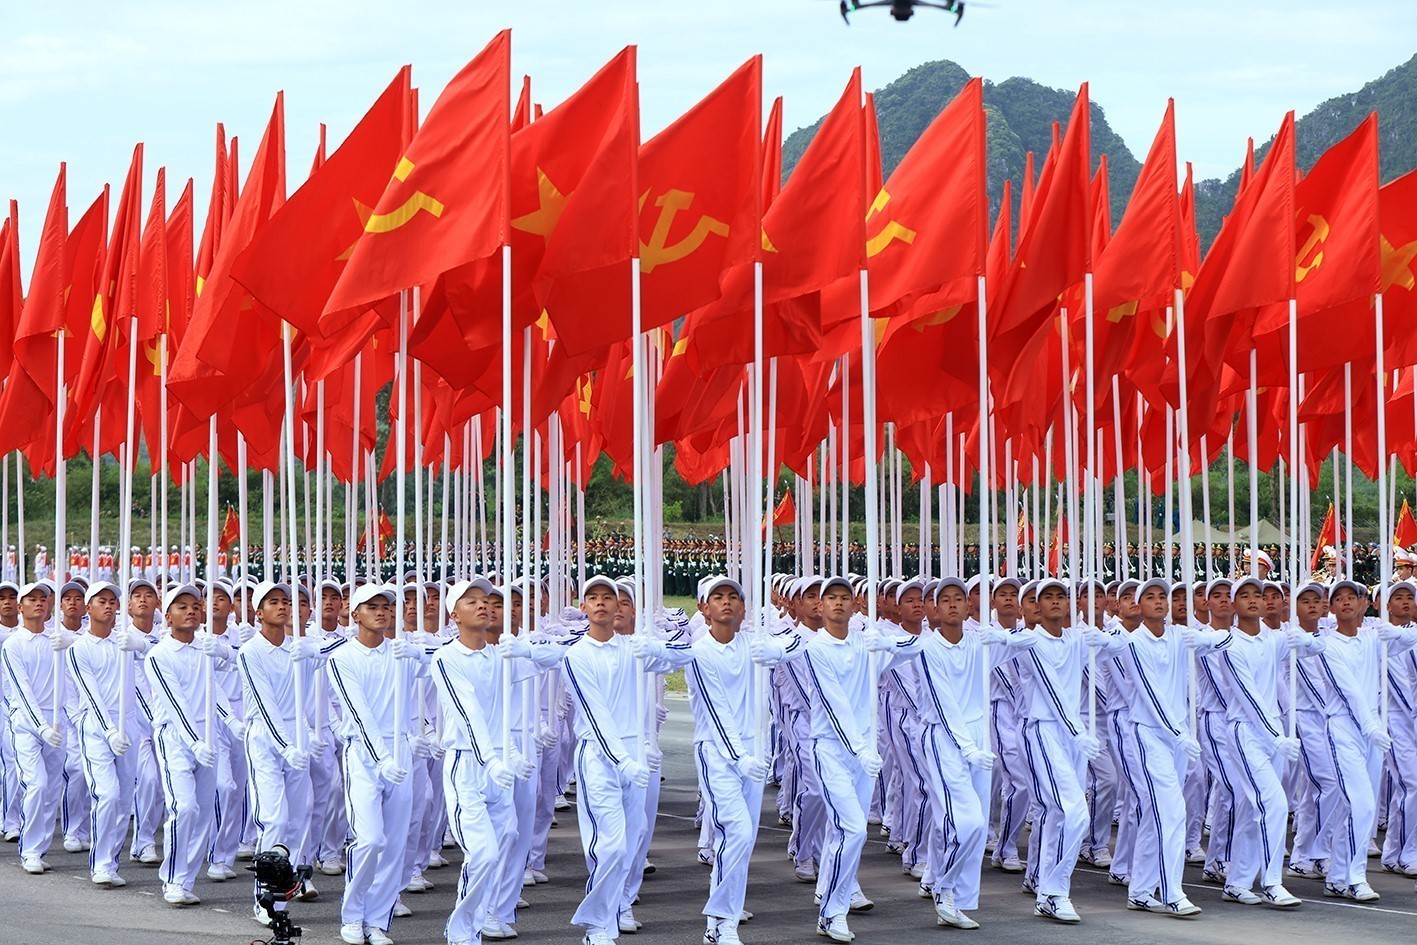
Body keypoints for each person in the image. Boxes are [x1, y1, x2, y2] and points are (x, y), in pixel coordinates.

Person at [561, 575, 681, 945]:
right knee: (608, 845)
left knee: (633, 838)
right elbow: (596, 715)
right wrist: (622, 760)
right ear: (583, 607)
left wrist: (657, 647)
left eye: (608, 597)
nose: (600, 603)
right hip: (600, 756)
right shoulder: (576, 656)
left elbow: (685, 654)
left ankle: (620, 905)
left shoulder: (634, 649)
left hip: (635, 753)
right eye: (593, 597)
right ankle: (597, 925)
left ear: (619, 607)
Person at [1084, 577, 1203, 916]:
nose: (1159, 601)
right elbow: (1150, 693)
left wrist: (1205, 637)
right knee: (1171, 811)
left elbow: (1222, 642)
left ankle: (1139, 890)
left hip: (1176, 738)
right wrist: (1178, 732)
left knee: (1154, 812)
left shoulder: (1179, 636)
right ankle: (1171, 891)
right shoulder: (1133, 643)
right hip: (1148, 734)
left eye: (1162, 595)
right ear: (1138, 605)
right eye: (1150, 596)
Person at [430, 577, 538, 945]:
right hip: (467, 766)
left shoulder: (499, 657)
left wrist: (514, 755)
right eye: (471, 600)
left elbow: (502, 714)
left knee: (506, 838)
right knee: (483, 854)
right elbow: (470, 713)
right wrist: (492, 759)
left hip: (498, 767)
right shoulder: (446, 658)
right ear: (454, 615)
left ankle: (481, 918)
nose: (483, 605)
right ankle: (462, 933)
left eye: (486, 600)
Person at [326, 582, 429, 945]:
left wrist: (417, 654)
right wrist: (382, 757)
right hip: (365, 756)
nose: (382, 612)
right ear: (355, 614)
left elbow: (441, 666)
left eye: (386, 606)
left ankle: (377, 920)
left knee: (396, 845)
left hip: (400, 751)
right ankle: (353, 915)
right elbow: (360, 713)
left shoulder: (400, 653)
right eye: (372, 607)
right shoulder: (341, 658)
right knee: (370, 839)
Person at [677, 576, 767, 945]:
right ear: (703, 608)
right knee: (737, 832)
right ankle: (723, 922)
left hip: (753, 753)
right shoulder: (699, 653)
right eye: (718, 597)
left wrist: (776, 650)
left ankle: (720, 919)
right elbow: (717, 713)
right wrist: (740, 756)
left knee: (742, 840)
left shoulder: (753, 646)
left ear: (743, 608)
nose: (726, 602)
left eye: (733, 596)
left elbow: (796, 645)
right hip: (717, 752)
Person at [1012, 578, 1102, 923]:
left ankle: (1043, 884)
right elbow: (1051, 690)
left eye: (1060, 596)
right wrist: (1079, 731)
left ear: (1069, 604)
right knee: (1074, 811)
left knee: (1058, 814)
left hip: (1072, 734)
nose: (1054, 602)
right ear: (1034, 607)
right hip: (1045, 729)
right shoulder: (1031, 641)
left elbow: (1115, 647)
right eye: (1046, 597)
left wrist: (1105, 637)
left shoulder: (1076, 639)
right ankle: (1053, 892)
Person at [145, 582, 236, 905]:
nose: (191, 611)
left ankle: (186, 879)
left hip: (208, 736)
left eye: (195, 606)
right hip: (175, 738)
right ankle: (172, 878)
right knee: (184, 807)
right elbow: (176, 703)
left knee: (203, 813)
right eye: (182, 607)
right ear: (168, 616)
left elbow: (218, 685)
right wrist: (194, 742)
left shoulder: (205, 648)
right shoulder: (159, 655)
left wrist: (231, 721)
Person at [238, 581, 324, 921]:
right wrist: (286, 746)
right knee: (274, 818)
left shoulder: (299, 648)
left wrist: (313, 652)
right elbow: (265, 704)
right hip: (265, 737)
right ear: (259, 612)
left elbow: (337, 653)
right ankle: (265, 899)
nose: (283, 606)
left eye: (286, 601)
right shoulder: (250, 652)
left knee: (299, 817)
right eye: (273, 602)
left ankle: (286, 891)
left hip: (296, 736)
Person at [65, 581, 145, 886]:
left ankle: (111, 862)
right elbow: (91, 695)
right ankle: (100, 863)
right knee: (107, 795)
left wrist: (140, 646)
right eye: (102, 601)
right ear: (88, 608)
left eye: (113, 601)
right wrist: (110, 731)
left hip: (129, 726)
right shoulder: (78, 649)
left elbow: (161, 653)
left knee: (123, 800)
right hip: (98, 730)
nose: (109, 606)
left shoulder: (124, 642)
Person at [2, 580, 68, 873]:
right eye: (32, 599)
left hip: (57, 722)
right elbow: (22, 690)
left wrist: (69, 643)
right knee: (37, 784)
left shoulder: (57, 640)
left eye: (43, 598)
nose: (39, 602)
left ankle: (39, 849)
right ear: (20, 607)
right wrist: (41, 727)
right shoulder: (13, 644)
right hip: (26, 724)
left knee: (52, 789)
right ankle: (29, 850)